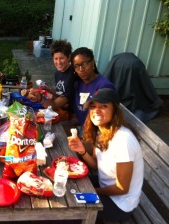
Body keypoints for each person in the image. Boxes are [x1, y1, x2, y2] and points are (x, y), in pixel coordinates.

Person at [68, 88, 144, 222]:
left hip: (119, 204)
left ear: (115, 110)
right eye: (93, 106)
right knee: (69, 183)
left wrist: (93, 191)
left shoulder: (123, 140)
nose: (96, 110)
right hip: (105, 186)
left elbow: (121, 189)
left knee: (70, 208)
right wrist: (82, 151)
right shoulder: (102, 131)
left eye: (103, 106)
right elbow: (96, 166)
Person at [26, 40, 75, 121]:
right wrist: (46, 89)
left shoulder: (71, 76)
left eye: (61, 58)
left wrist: (41, 98)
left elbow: (54, 105)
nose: (58, 62)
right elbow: (60, 92)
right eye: (56, 58)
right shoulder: (58, 73)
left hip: (70, 116)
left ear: (69, 57)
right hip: (61, 109)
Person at [71, 47, 116, 126]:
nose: (81, 69)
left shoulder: (104, 86)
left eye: (84, 64)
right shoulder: (77, 83)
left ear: (92, 62)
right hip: (82, 127)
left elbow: (105, 119)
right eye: (77, 66)